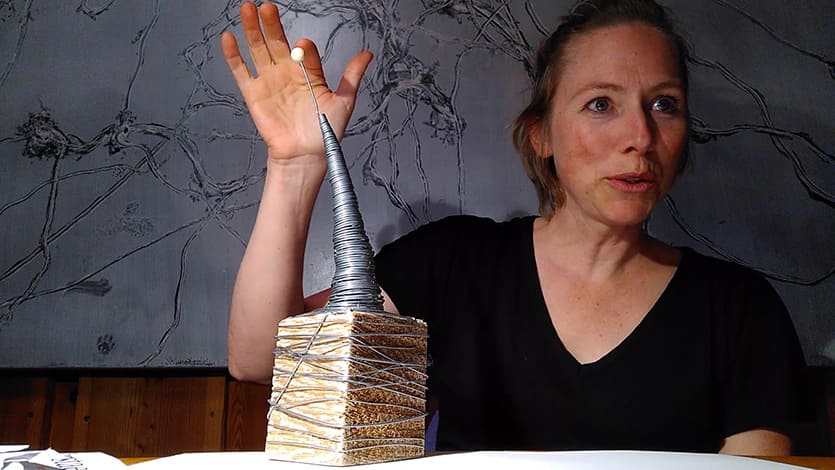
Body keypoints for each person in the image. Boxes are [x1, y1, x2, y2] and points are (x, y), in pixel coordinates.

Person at [221, 0, 805, 456]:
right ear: (540, 135)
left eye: (664, 105)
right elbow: (260, 358)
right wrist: (297, 165)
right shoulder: (455, 263)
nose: (641, 137)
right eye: (601, 104)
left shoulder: (740, 310)